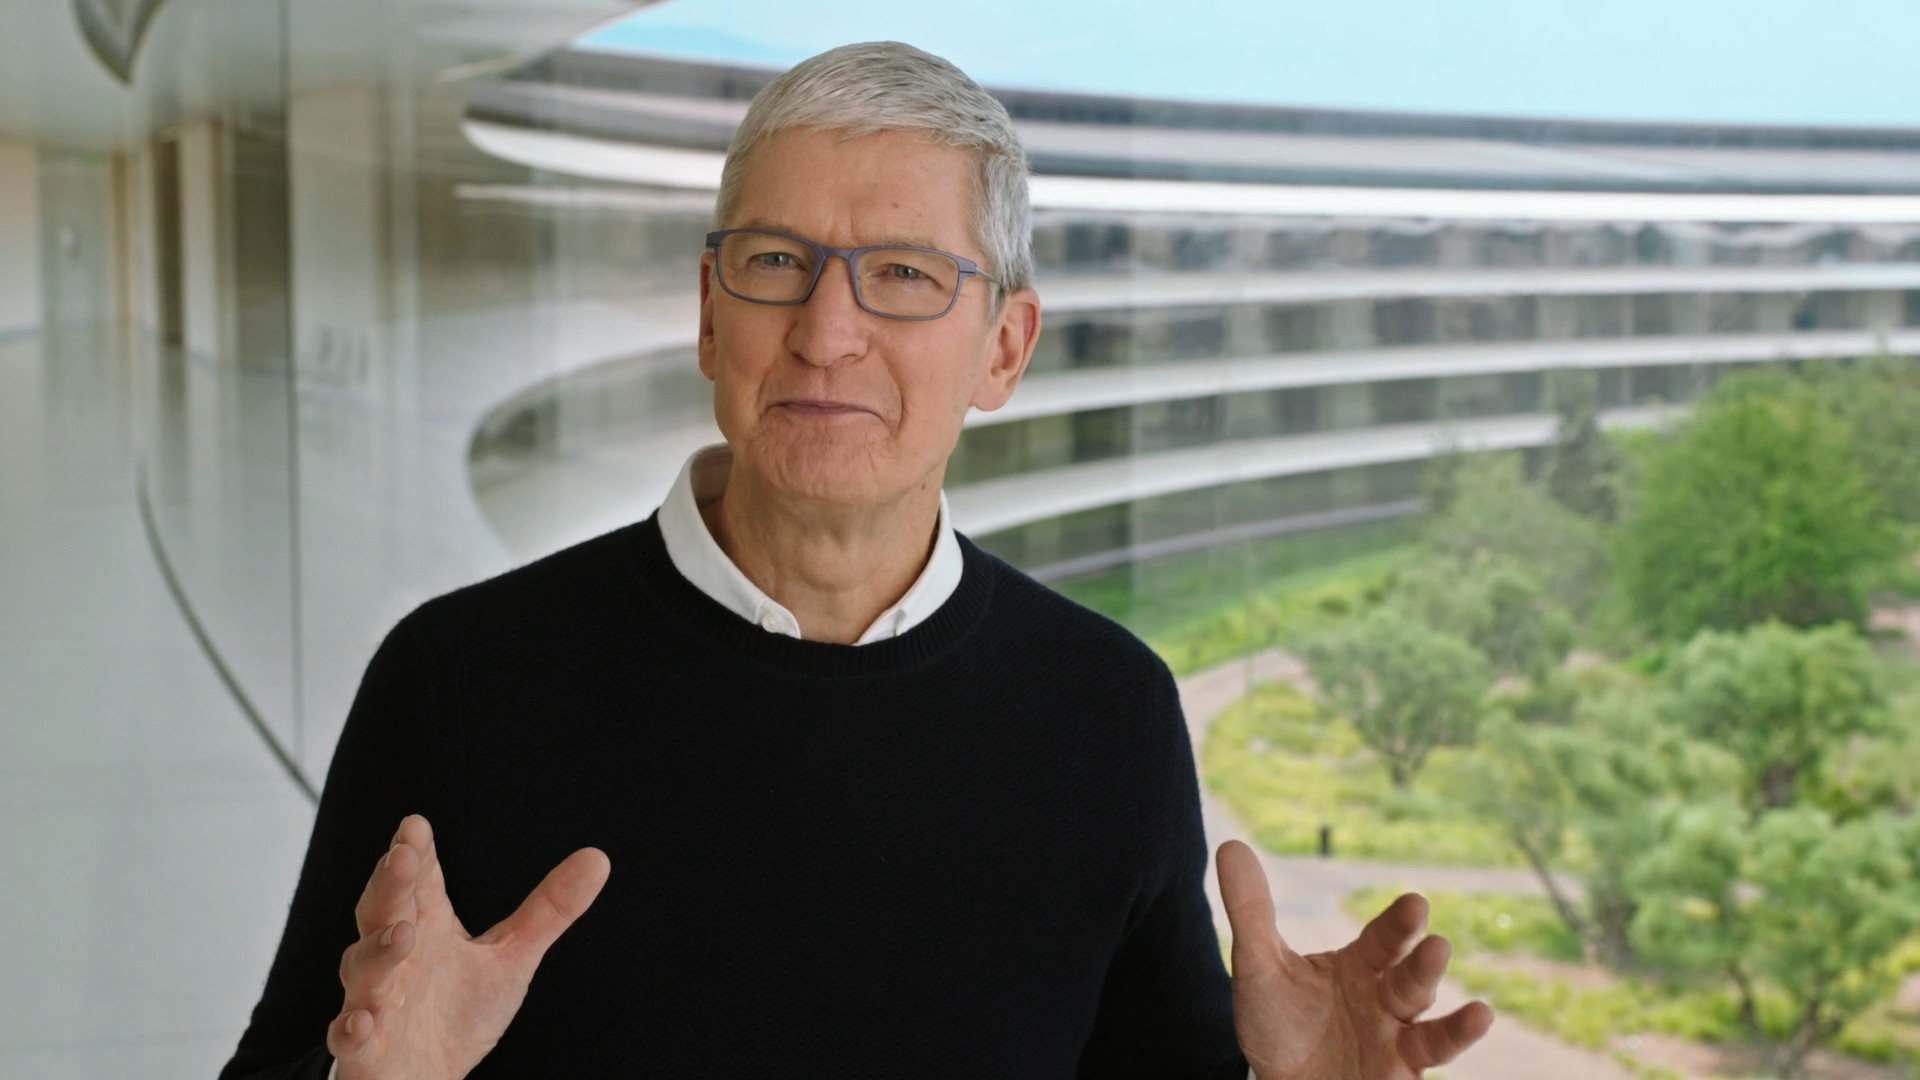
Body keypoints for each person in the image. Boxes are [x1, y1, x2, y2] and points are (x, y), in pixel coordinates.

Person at [219, 41, 1493, 1080]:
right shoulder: (460, 676)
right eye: (778, 263)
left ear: (1004, 348)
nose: (826, 333)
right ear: (711, 314)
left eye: (901, 275)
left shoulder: (1108, 708)